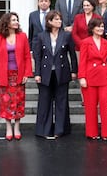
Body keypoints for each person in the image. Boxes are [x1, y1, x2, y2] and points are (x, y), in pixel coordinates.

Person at [0, 12, 32, 141]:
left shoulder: (22, 36)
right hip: (4, 75)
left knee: (19, 102)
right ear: (7, 23)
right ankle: (8, 128)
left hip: (18, 74)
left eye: (17, 20)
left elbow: (27, 57)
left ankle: (17, 127)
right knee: (5, 102)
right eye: (13, 20)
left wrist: (27, 73)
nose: (16, 22)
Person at [33, 10, 78, 139]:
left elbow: (73, 55)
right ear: (49, 21)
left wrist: (74, 71)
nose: (59, 21)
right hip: (45, 72)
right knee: (44, 101)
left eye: (60, 19)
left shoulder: (66, 35)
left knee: (61, 101)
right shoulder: (41, 36)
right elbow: (38, 56)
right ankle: (44, 130)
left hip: (62, 72)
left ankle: (60, 129)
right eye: (56, 19)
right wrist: (37, 73)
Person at [78, 18, 107, 141]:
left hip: (104, 76)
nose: (101, 28)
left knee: (105, 106)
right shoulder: (86, 42)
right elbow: (82, 61)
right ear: (92, 28)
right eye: (98, 26)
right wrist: (82, 77)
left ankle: (106, 133)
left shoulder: (106, 42)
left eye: (102, 26)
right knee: (90, 106)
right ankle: (92, 132)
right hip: (90, 76)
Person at [72, 0, 102, 106]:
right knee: (83, 72)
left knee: (94, 71)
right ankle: (84, 98)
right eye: (84, 5)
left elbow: (100, 32)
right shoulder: (78, 18)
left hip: (95, 49)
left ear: (93, 6)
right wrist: (83, 45)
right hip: (80, 49)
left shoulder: (98, 17)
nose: (86, 7)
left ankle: (95, 97)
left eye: (88, 5)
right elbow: (74, 33)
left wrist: (91, 45)